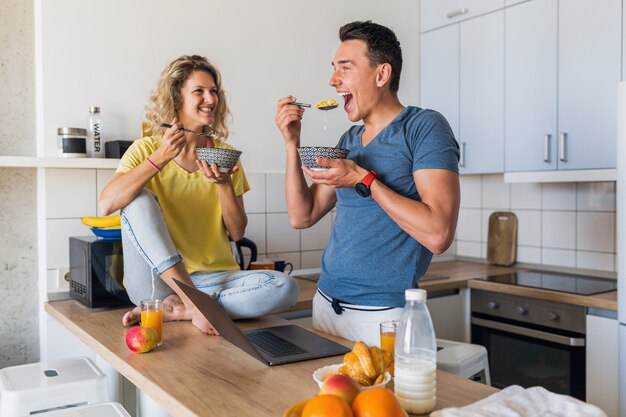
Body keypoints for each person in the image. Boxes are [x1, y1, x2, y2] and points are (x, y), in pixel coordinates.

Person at [275, 21, 460, 346]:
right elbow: (301, 216)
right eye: (334, 69)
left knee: (382, 400)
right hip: (327, 306)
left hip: (384, 317)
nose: (333, 80)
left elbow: (438, 234)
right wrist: (292, 143)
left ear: (381, 74)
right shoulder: (350, 139)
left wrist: (363, 178)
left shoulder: (424, 127)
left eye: (345, 69)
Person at [99, 55, 298, 334]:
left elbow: (238, 232)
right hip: (158, 282)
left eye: (214, 91)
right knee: (138, 198)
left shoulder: (225, 155)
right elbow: (106, 203)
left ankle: (182, 309)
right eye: (199, 91)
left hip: (214, 279)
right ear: (176, 97)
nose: (211, 98)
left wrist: (224, 185)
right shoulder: (145, 150)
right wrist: (161, 157)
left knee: (284, 287)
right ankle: (192, 301)